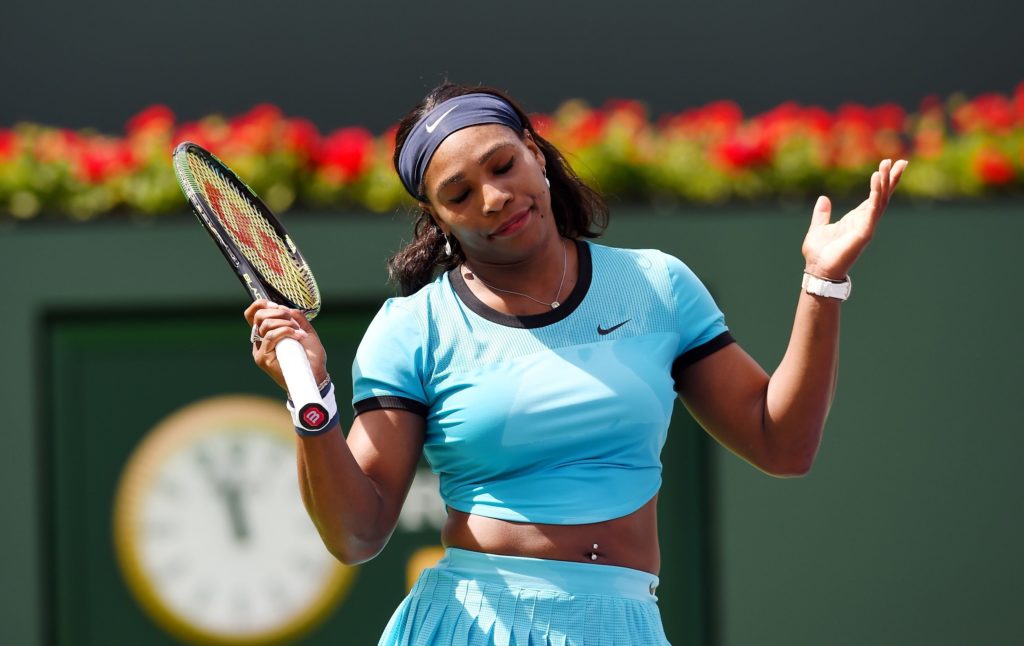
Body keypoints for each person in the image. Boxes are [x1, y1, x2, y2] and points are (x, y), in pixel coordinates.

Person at [244, 83, 907, 645]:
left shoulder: (659, 286)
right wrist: (315, 403)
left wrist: (821, 282)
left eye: (503, 165)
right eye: (460, 193)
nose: (494, 198)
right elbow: (357, 533)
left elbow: (781, 443)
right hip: (474, 625)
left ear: (535, 152)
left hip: (624, 623)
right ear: (437, 217)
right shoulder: (413, 328)